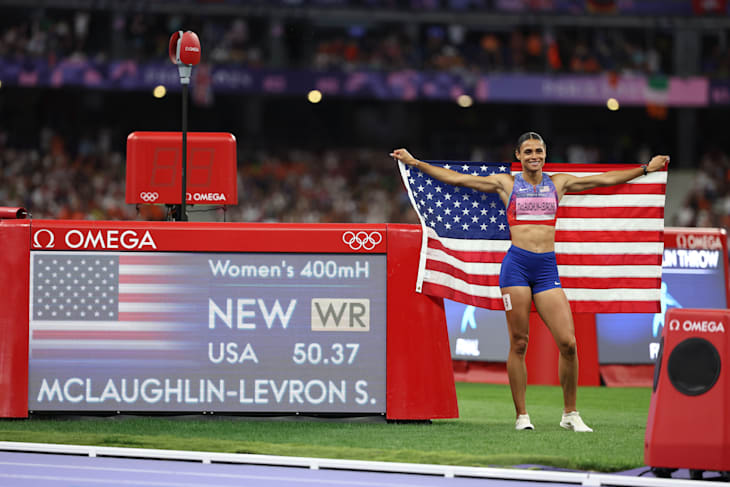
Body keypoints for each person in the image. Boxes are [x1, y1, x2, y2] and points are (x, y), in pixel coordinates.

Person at [390, 132, 669, 432]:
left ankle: (570, 414)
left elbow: (604, 180)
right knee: (519, 343)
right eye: (528, 151)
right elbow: (456, 179)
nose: (534, 155)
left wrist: (645, 169)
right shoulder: (506, 183)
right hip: (516, 268)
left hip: (547, 268)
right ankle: (522, 416)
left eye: (539, 150)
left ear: (545, 154)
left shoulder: (559, 183)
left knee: (569, 343)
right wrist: (415, 162)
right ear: (518, 156)